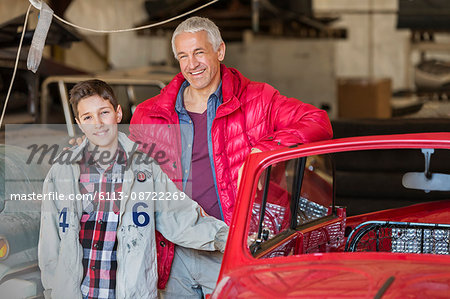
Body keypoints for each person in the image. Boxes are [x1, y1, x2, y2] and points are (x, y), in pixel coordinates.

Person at [129, 16, 333, 298]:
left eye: (199, 52)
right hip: (174, 251)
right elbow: (130, 172)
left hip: (233, 246)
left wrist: (265, 150)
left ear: (220, 51)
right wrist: (88, 148)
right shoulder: (150, 113)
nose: (192, 64)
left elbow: (318, 121)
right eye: (183, 56)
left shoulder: (258, 99)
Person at [38, 79, 228, 299]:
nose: (98, 123)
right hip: (78, 293)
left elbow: (179, 217)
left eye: (104, 113)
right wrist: (53, 290)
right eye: (88, 117)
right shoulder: (62, 171)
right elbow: (50, 242)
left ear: (118, 113)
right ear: (79, 123)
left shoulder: (145, 169)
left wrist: (227, 238)